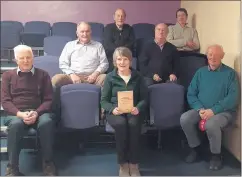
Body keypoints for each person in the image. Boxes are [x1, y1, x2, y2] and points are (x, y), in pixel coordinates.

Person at [180, 44, 239, 170]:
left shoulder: (230, 74)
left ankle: (216, 155)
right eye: (210, 54)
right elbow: (191, 93)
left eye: (217, 55)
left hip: (223, 112)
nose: (213, 57)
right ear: (207, 56)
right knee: (185, 119)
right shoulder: (200, 72)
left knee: (211, 124)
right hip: (202, 109)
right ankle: (196, 148)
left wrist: (213, 110)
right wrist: (200, 109)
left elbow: (232, 98)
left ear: (222, 56)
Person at [1, 45, 57, 176]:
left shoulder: (43, 75)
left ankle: (48, 163)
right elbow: (5, 101)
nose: (26, 61)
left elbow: (49, 99)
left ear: (33, 58)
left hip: (40, 112)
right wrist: (20, 114)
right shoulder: (7, 76)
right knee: (15, 125)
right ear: (16, 60)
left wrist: (36, 112)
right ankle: (12, 168)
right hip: (16, 113)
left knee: (46, 123)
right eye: (22, 58)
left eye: (28, 57)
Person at [101, 47, 148, 176]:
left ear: (130, 61)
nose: (122, 62)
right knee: (121, 125)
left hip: (134, 110)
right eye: (119, 59)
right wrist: (112, 109)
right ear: (115, 62)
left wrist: (138, 107)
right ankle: (123, 164)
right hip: (116, 111)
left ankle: (134, 164)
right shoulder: (110, 77)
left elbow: (145, 98)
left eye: (125, 59)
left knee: (133, 125)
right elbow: (103, 101)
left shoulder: (138, 76)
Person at [51, 22, 109, 118]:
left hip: (94, 77)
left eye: (87, 31)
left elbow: (104, 63)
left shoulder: (98, 46)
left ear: (91, 32)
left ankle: (102, 114)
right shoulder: (69, 45)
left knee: (106, 78)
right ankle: (55, 113)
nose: (84, 34)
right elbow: (63, 63)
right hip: (73, 76)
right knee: (56, 79)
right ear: (77, 33)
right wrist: (72, 74)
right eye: (82, 31)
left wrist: (95, 74)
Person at [103, 8, 135, 72]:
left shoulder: (129, 29)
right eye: (118, 15)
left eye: (122, 16)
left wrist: (122, 53)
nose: (120, 18)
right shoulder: (108, 28)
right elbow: (108, 45)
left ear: (125, 18)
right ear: (114, 17)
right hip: (112, 58)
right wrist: (119, 52)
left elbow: (132, 43)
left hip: (125, 57)